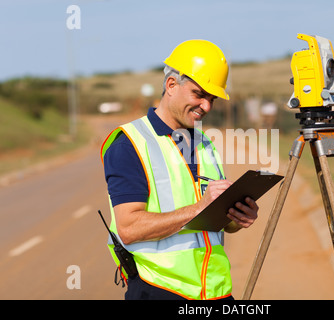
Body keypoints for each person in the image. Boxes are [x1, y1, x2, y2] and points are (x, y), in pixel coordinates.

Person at [101, 39, 259, 300]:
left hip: (216, 292)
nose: (206, 106)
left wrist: (236, 218)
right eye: (199, 94)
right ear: (171, 85)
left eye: (211, 98)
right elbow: (128, 228)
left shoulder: (204, 143)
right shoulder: (130, 143)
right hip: (161, 291)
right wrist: (199, 208)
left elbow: (214, 222)